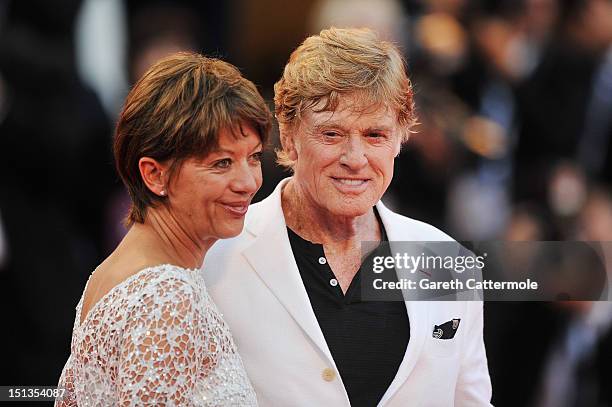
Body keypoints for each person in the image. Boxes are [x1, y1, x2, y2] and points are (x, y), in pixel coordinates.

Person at [202, 27, 492, 406]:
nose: (355, 159)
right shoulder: (215, 258)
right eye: (332, 134)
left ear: (401, 138)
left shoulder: (449, 262)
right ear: (289, 136)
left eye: (374, 135)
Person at [55, 52, 272, 406]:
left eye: (254, 157)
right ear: (154, 174)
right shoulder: (166, 297)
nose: (248, 182)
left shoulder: (113, 275)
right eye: (222, 163)